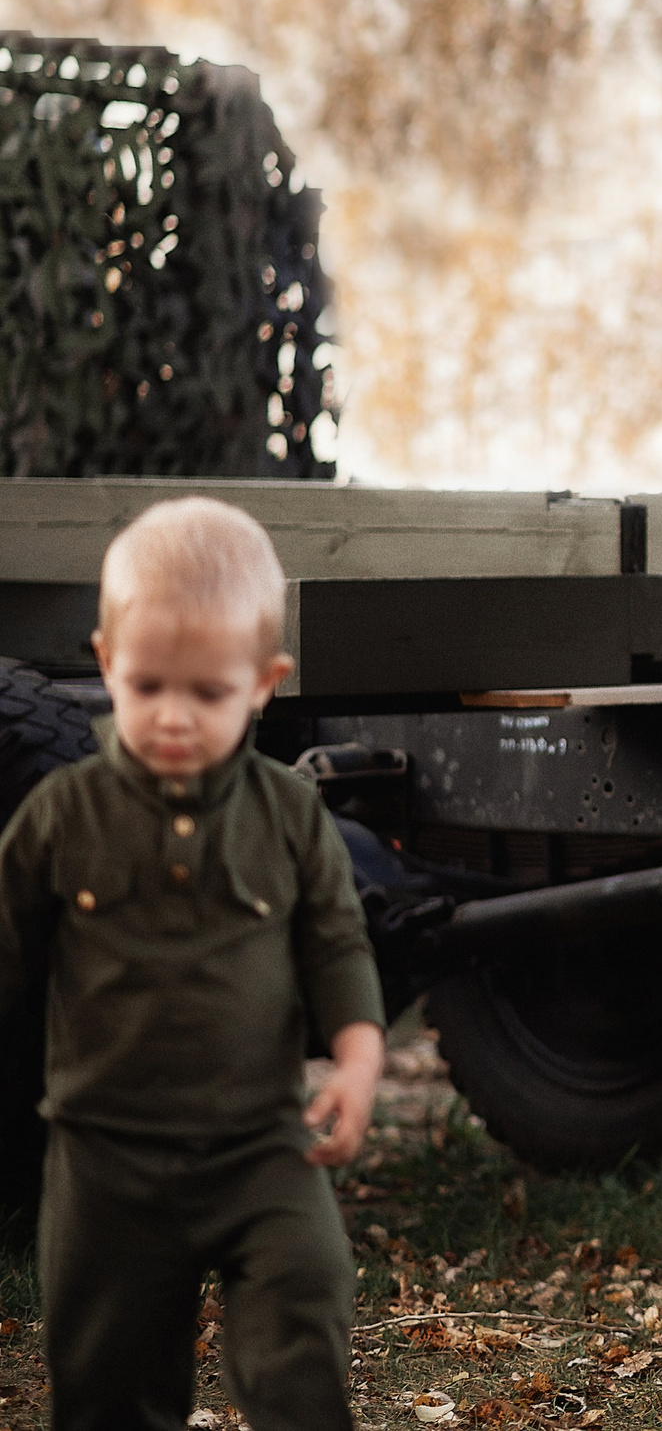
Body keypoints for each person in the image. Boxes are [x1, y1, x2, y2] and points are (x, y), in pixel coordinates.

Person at [0, 497, 386, 1431]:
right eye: (147, 686)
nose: (174, 718)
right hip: (105, 1155)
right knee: (107, 1376)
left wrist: (360, 1062)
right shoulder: (62, 817)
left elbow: (336, 944)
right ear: (105, 665)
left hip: (260, 1144)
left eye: (208, 694)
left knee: (307, 1289)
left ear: (263, 682)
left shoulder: (289, 818)